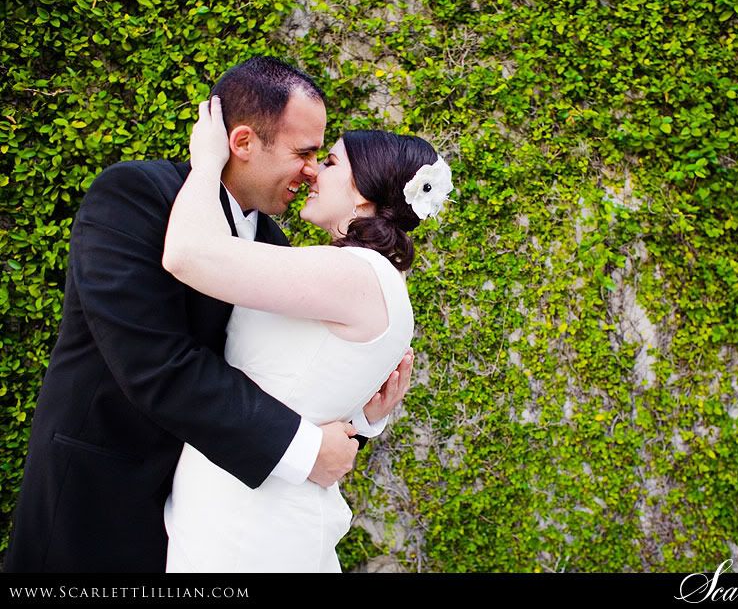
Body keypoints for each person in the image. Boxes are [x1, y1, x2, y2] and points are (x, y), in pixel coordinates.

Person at [4, 57, 412, 573]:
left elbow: (282, 377)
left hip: (209, 509)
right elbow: (155, 362)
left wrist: (361, 418)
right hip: (101, 495)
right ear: (242, 142)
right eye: (304, 153)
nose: (312, 170)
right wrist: (305, 449)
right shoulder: (133, 195)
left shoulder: (271, 242)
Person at [160, 96, 452, 572]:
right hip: (236, 503)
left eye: (331, 162)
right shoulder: (368, 277)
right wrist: (361, 418)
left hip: (252, 524)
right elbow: (309, 377)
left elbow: (187, 255)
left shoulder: (355, 274)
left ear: (363, 196)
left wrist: (208, 162)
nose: (314, 172)